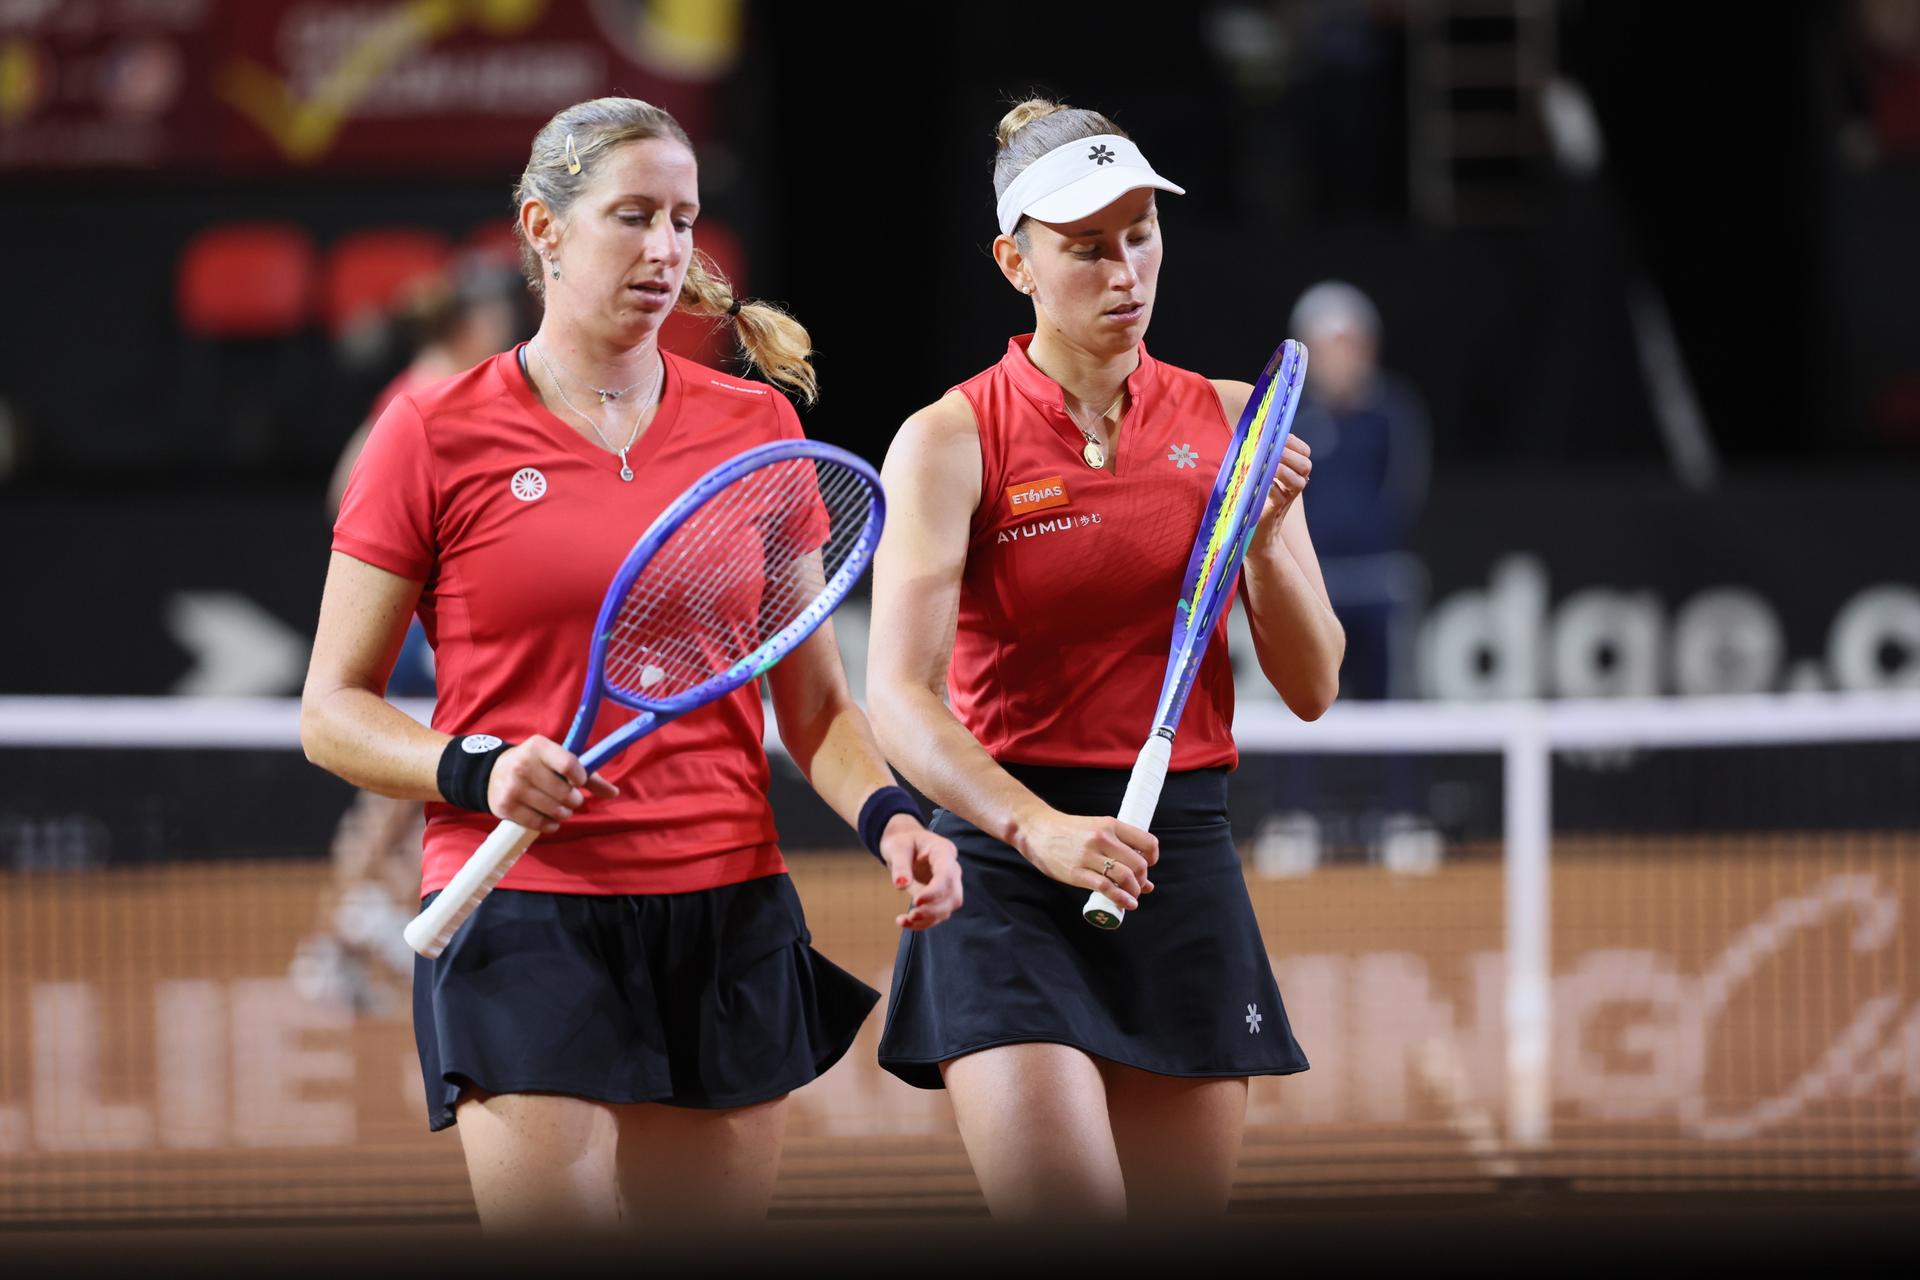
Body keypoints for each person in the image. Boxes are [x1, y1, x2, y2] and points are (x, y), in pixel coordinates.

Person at [300, 96, 961, 1233]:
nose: (666, 249)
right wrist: (477, 769)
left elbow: (814, 705)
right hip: (522, 908)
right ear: (543, 227)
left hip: (727, 906)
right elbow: (330, 710)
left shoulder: (757, 430)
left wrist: (892, 818)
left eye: (684, 221)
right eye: (633, 216)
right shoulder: (432, 434)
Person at [866, 98, 1344, 1222]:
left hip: (1175, 854)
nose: (1125, 272)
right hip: (1009, 861)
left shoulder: (1231, 418)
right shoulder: (949, 439)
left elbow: (1314, 685)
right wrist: (1036, 828)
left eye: (1141, 234)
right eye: (1086, 247)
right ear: (1015, 262)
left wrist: (1264, 536)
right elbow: (898, 695)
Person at [293, 255, 527, 1016]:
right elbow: (348, 491)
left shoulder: (455, 381)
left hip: (434, 618)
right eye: (496, 314)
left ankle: (359, 931)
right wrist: (410, 562)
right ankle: (333, 941)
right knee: (389, 798)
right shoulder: (428, 388)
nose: (508, 324)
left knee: (400, 802)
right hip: (418, 623)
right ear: (470, 322)